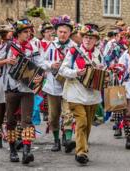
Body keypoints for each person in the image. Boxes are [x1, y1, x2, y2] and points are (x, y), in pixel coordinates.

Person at [0, 18, 43, 164]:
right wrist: (6, 61)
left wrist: (41, 77)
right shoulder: (8, 46)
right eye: (25, 32)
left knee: (27, 120)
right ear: (18, 33)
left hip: (27, 88)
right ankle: (13, 150)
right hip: (11, 88)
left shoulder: (33, 47)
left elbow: (40, 65)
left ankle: (27, 151)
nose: (28, 34)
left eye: (29, 31)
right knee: (10, 121)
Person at [59, 23, 103, 164]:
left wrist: (103, 70)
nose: (88, 40)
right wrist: (76, 72)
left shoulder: (98, 53)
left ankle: (82, 146)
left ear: (96, 40)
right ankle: (81, 152)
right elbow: (62, 70)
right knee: (82, 121)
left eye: (91, 38)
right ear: (82, 38)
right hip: (75, 93)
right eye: (85, 37)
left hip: (92, 95)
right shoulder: (73, 51)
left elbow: (105, 70)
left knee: (88, 124)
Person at [41, 15, 76, 153]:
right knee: (54, 115)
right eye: (60, 31)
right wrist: (51, 64)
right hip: (53, 85)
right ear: (56, 32)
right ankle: (56, 140)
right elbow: (41, 62)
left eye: (65, 32)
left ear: (69, 33)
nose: (62, 34)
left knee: (68, 113)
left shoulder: (74, 47)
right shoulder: (50, 46)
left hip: (69, 84)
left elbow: (78, 64)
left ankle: (67, 139)